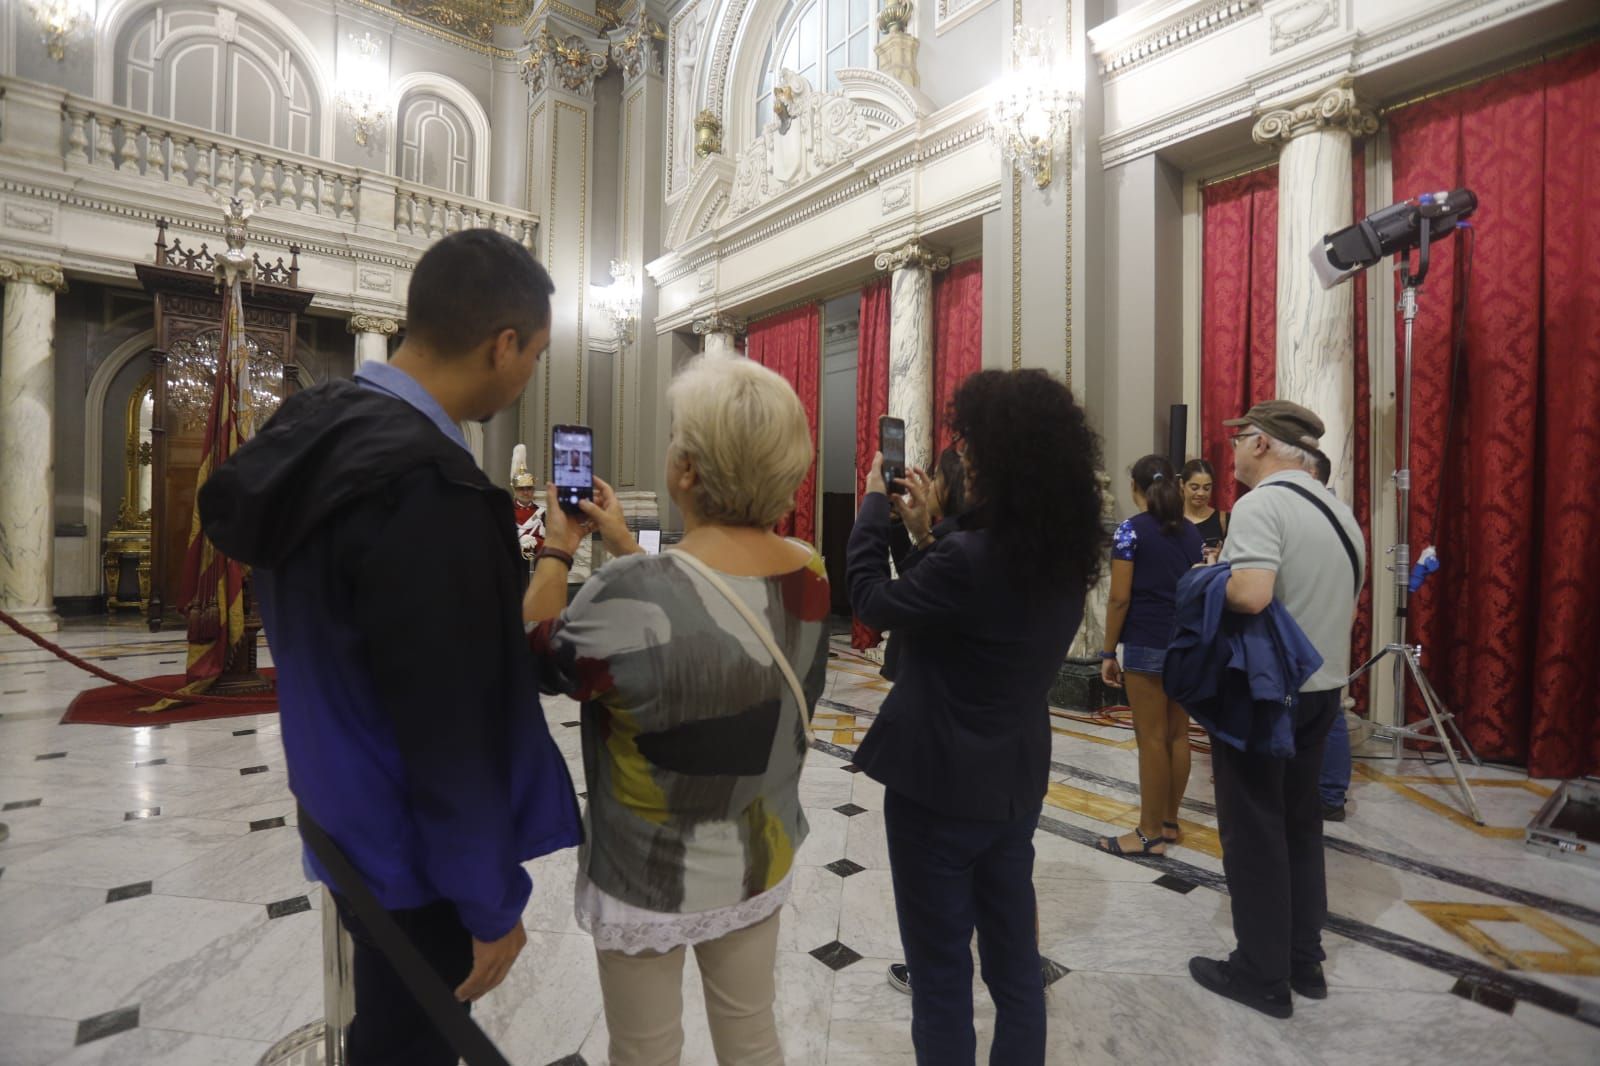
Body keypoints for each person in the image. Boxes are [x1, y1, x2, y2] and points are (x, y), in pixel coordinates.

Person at [198, 230, 582, 1065]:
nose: (529, 375)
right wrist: (488, 898)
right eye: (536, 354)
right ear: (503, 343)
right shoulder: (428, 492)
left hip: (343, 816)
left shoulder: (315, 433)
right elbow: (446, 732)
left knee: (383, 1032)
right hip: (415, 860)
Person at [523, 356, 829, 1066]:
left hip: (648, 872)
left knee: (645, 1051)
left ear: (686, 471)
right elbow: (706, 604)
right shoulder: (810, 573)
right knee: (752, 1039)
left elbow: (540, 657)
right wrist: (628, 546)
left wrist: (560, 547)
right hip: (759, 850)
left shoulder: (629, 592)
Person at [849, 369, 1106, 1066]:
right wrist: (925, 533)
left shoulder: (967, 558)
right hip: (1013, 783)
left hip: (938, 790)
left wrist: (873, 507)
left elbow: (873, 600)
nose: (964, 461)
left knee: (940, 976)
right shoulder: (1058, 558)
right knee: (1014, 964)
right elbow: (954, 614)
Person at [1188, 400, 1364, 1020]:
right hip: (1322, 690)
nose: (1231, 451)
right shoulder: (1341, 514)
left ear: (1261, 443)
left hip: (1268, 695)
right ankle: (1302, 958)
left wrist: (1212, 575)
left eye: (1238, 440)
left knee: (1253, 828)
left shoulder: (1262, 505)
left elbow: (1252, 593)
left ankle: (1260, 974)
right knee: (1299, 823)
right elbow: (1342, 612)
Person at [1097, 455, 1203, 856]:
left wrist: (1108, 650)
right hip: (1185, 644)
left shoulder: (1130, 532)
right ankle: (1170, 823)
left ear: (1135, 489)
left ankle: (1148, 833)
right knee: (1178, 735)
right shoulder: (1191, 534)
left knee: (1151, 739)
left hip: (1145, 642)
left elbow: (1120, 597)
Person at [1305, 448, 1352, 822]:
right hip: (1332, 628)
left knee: (1326, 715)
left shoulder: (1317, 517)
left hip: (1310, 629)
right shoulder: (1342, 516)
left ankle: (1327, 793)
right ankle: (1330, 794)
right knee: (1330, 712)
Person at [1181, 458, 1228, 557]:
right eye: (1194, 488)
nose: (1201, 493)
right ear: (1182, 484)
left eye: (1207, 488)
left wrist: (1222, 556)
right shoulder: (1170, 520)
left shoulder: (1224, 520)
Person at [511, 443, 546, 561]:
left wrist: (536, 541)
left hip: (537, 561)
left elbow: (550, 541)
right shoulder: (507, 512)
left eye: (529, 488)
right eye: (521, 489)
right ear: (515, 491)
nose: (526, 492)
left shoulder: (541, 513)